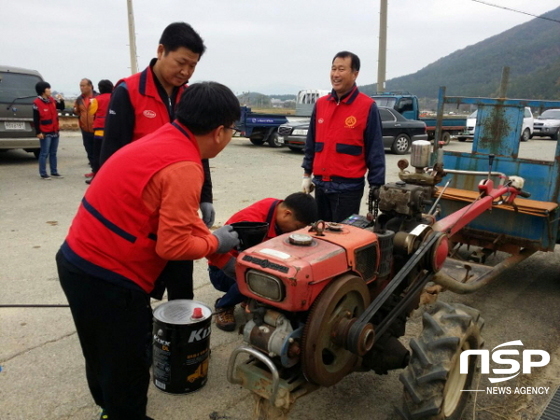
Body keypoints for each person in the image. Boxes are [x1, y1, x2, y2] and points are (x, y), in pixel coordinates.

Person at [56, 82, 241, 420]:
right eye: (232, 130)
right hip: (108, 278)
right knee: (128, 366)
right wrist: (217, 242)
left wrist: (217, 251)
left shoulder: (164, 139)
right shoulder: (185, 166)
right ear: (219, 132)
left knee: (101, 355)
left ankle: (109, 410)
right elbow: (173, 244)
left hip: (76, 260)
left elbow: (174, 218)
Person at [99, 21, 213, 301]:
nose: (186, 72)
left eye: (193, 65)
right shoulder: (129, 92)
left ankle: (182, 335)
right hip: (140, 209)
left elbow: (199, 152)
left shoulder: (189, 97)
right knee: (137, 279)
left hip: (177, 203)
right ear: (161, 51)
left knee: (181, 273)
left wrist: (205, 196)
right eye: (181, 62)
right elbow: (111, 156)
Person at [207, 192, 318, 331]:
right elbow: (211, 250)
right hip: (222, 271)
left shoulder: (278, 209)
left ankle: (251, 296)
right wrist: (235, 270)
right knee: (259, 279)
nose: (295, 232)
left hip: (252, 261)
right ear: (287, 214)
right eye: (296, 228)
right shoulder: (250, 222)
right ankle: (223, 305)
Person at [301, 51, 385, 223]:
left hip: (348, 189)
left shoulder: (367, 106)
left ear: (355, 74)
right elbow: (312, 143)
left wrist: (376, 185)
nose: (336, 74)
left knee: (342, 238)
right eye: (333, 69)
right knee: (320, 236)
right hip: (321, 185)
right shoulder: (321, 104)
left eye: (341, 69)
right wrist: (306, 174)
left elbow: (375, 149)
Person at [32, 81, 65, 180]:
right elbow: (36, 119)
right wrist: (38, 132)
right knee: (44, 153)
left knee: (53, 153)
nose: (50, 90)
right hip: (45, 132)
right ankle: (43, 173)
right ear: (43, 90)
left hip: (54, 130)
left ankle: (54, 171)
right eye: (48, 88)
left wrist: (61, 100)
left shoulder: (52, 100)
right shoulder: (36, 103)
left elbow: (62, 108)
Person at [86, 79, 114, 184]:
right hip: (111, 130)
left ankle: (97, 177)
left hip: (99, 132)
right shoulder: (115, 97)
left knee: (97, 155)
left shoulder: (96, 100)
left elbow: (91, 111)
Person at [73, 78, 97, 175]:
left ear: (90, 86)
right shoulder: (79, 99)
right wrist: (74, 110)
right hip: (85, 129)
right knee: (89, 150)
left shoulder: (98, 97)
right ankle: (93, 170)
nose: (81, 88)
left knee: (98, 151)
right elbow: (77, 111)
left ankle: (100, 171)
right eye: (80, 86)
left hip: (96, 128)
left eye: (83, 85)